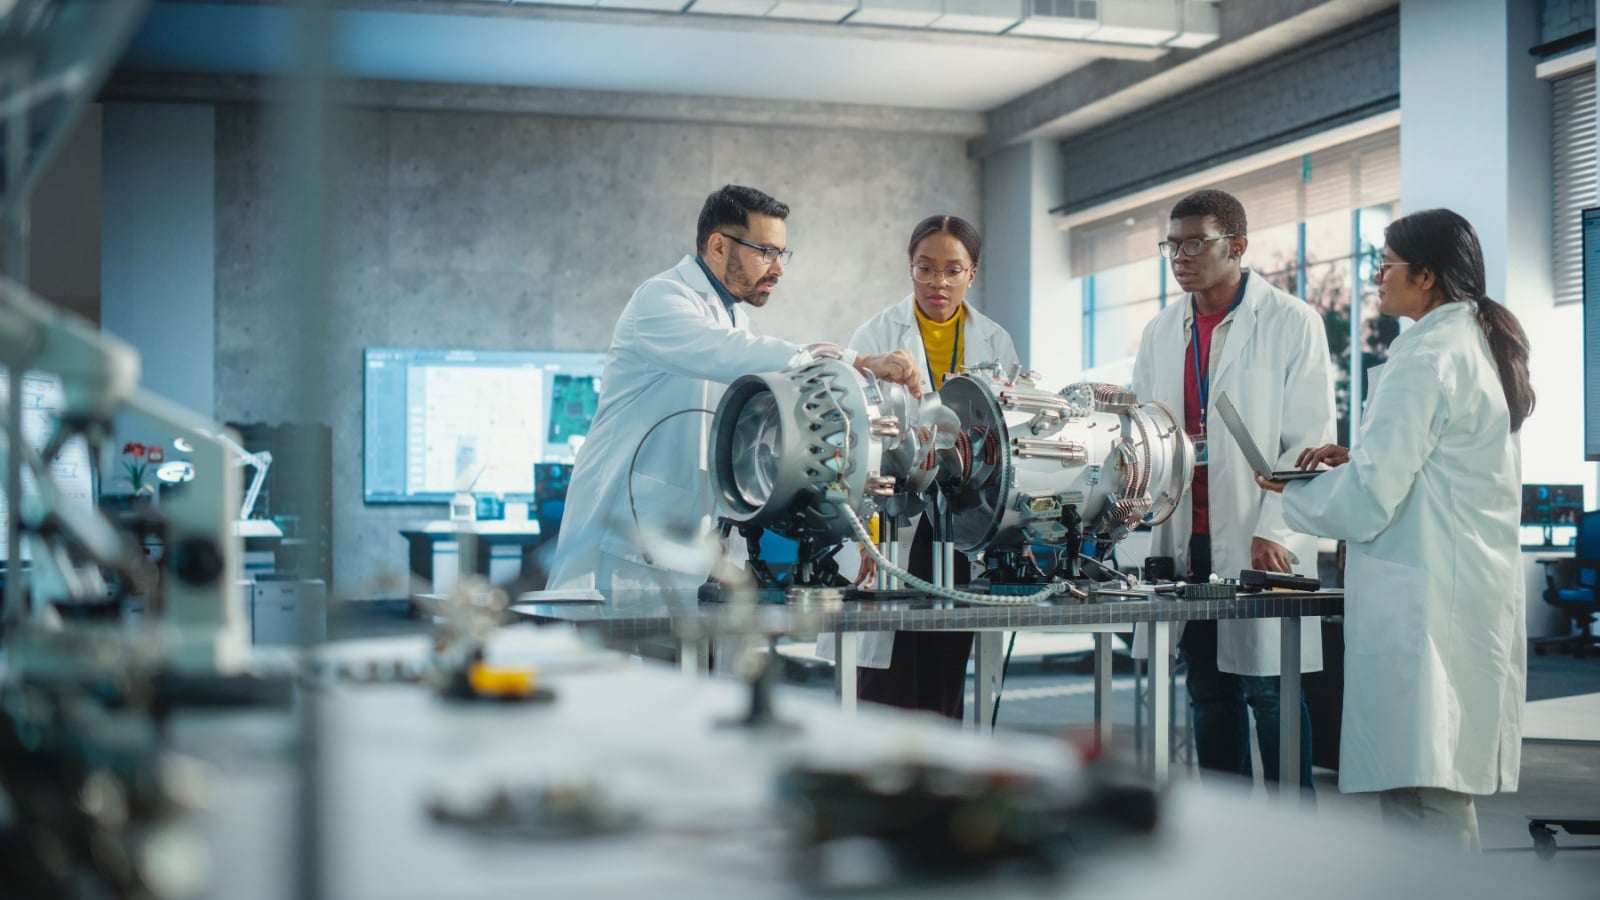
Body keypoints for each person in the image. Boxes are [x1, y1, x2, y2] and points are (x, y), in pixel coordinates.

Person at [1257, 208, 1532, 849]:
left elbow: (1371, 501)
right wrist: (1360, 457)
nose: (1376, 277)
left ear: (1427, 276)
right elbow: (1439, 462)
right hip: (1452, 584)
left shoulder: (1429, 356)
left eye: (1385, 265)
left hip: (1429, 596)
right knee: (1429, 782)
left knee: (1424, 789)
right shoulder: (1465, 345)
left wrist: (1293, 493)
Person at [545, 185, 918, 594]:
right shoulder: (661, 300)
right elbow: (728, 353)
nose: (778, 268)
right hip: (621, 544)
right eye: (766, 252)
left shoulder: (733, 317)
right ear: (719, 246)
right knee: (611, 658)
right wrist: (856, 360)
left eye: (781, 254)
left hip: (683, 548)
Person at [1130, 189, 1333, 788]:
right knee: (1207, 690)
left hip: (1255, 536)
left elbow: (1310, 435)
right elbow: (1145, 434)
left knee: (1268, 691)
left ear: (1237, 246)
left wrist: (1277, 527)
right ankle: (1224, 831)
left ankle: (1296, 835)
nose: (1180, 256)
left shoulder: (1292, 322)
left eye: (1195, 243)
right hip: (1183, 539)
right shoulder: (1161, 330)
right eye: (1172, 245)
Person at [830, 214, 1020, 720]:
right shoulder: (877, 331)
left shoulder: (996, 342)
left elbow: (1010, 439)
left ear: (971, 274)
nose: (938, 282)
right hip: (896, 522)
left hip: (961, 525)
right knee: (884, 678)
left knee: (944, 676)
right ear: (909, 269)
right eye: (925, 268)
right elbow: (856, 442)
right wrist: (867, 533)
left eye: (952, 270)